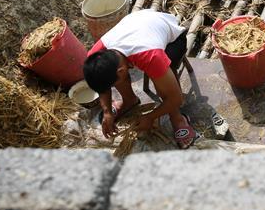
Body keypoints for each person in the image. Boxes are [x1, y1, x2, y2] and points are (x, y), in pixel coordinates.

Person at [82, 9, 198, 148]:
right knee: (112, 76)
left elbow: (176, 99)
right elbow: (103, 86)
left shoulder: (149, 56)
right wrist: (107, 110)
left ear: (122, 70)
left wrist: (150, 117)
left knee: (162, 88)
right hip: (141, 25)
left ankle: (178, 119)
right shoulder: (96, 55)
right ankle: (129, 101)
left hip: (173, 38)